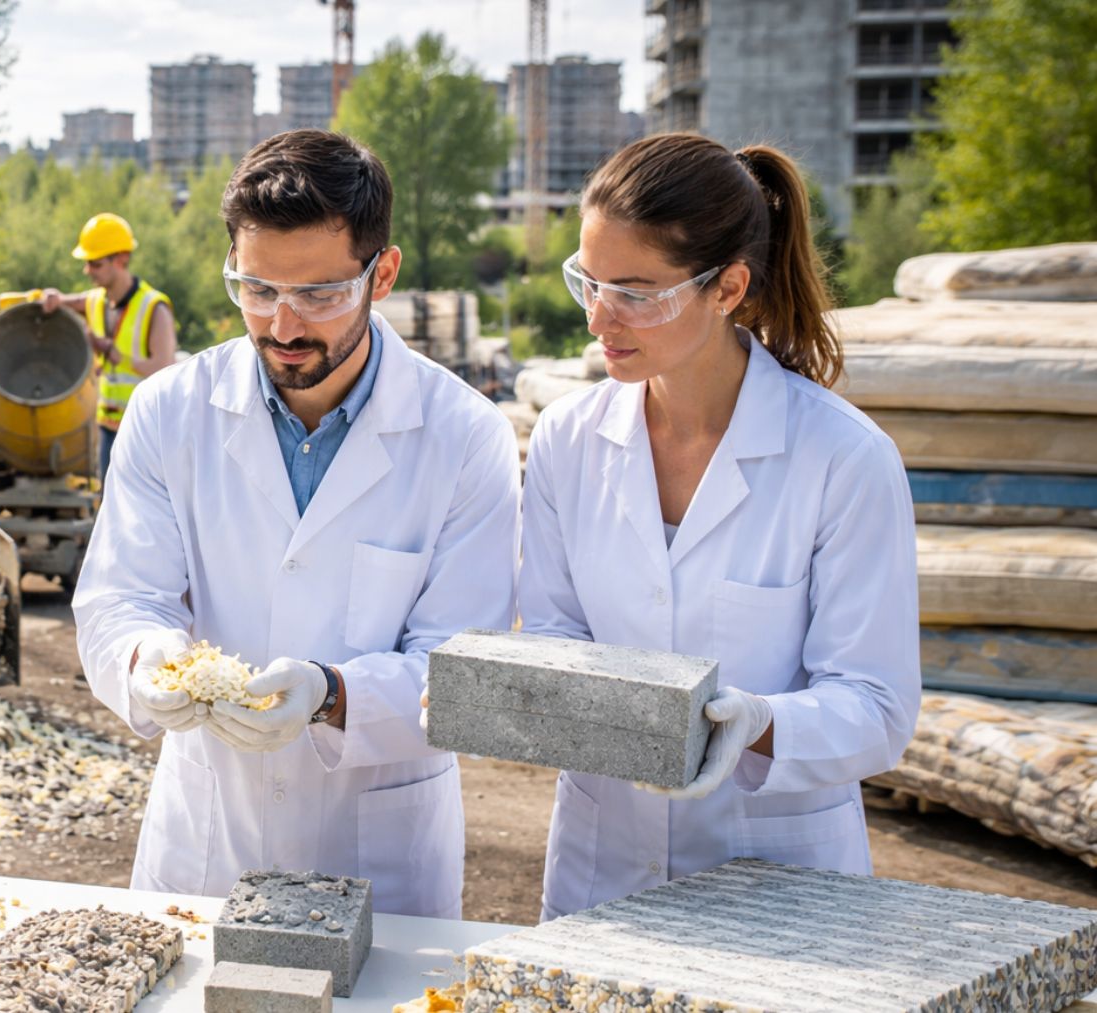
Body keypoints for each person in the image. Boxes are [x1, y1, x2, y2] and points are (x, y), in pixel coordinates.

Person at [72, 129, 521, 918]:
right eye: (257, 290)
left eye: (318, 294)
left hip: (380, 851)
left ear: (383, 273)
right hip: (209, 839)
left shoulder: (463, 435)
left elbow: (460, 664)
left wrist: (333, 692)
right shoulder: (169, 412)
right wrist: (150, 657)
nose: (283, 326)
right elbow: (120, 596)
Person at [507, 133, 919, 921]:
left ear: (728, 287)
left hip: (782, 878)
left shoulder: (843, 458)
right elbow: (555, 632)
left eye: (635, 291)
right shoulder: (567, 437)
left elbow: (877, 706)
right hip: (605, 868)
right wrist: (508, 693)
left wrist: (758, 725)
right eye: (588, 282)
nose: (600, 317)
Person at [37, 212, 178, 483]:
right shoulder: (96, 301)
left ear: (121, 260)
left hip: (145, 431)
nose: (87, 271)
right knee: (108, 508)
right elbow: (71, 301)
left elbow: (165, 369)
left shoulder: (153, 308)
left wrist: (115, 354)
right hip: (108, 428)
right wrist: (53, 299)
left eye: (95, 264)